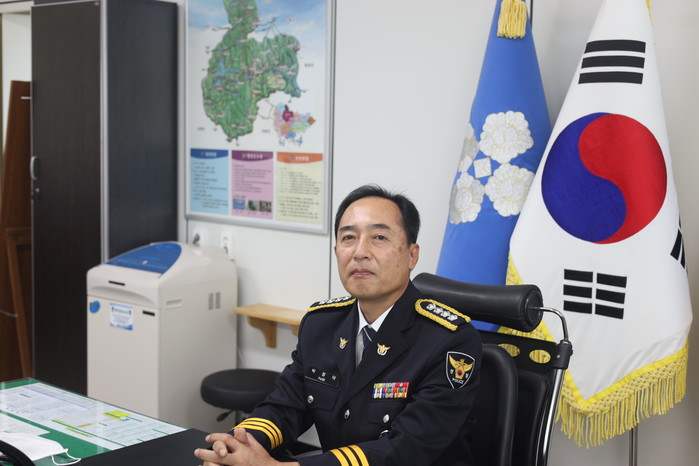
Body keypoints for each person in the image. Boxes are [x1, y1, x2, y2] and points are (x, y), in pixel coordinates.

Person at [195, 184, 482, 466]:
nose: (359, 252)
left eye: (379, 237)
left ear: (412, 255)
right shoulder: (321, 324)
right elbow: (285, 405)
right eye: (348, 238)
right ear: (336, 250)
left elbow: (406, 448)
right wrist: (236, 447)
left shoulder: (450, 341)